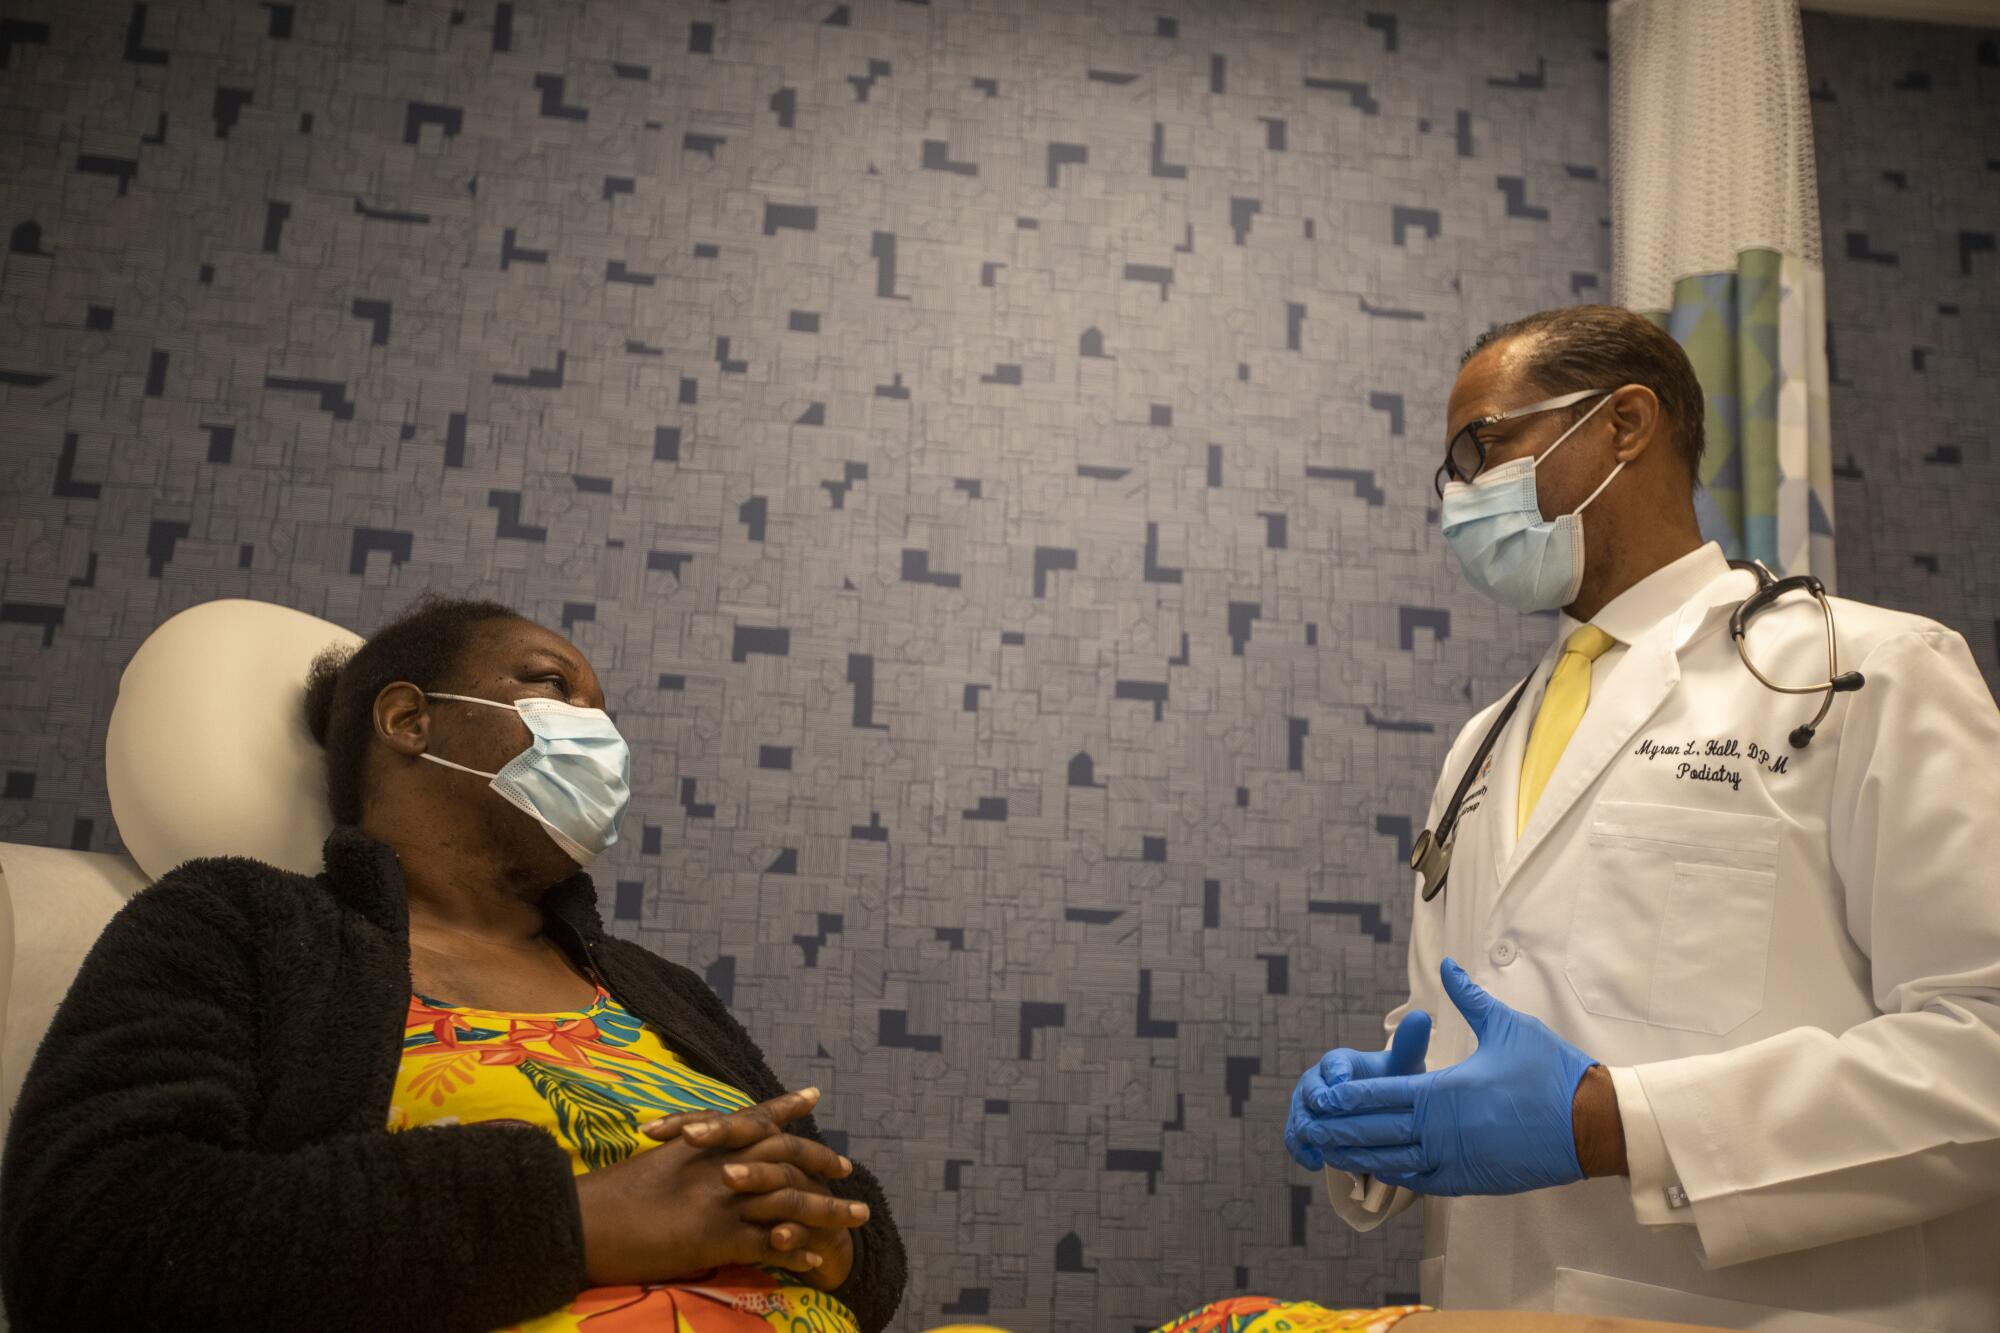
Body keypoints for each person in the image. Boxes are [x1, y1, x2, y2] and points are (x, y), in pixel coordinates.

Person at [1283, 306, 2000, 1329]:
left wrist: (1609, 1123)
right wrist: (1384, 1112)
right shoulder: (1481, 744)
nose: (1456, 495)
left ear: (1623, 425)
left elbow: (1981, 1049)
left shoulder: (1863, 674)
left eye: (1478, 447)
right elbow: (1495, 1022)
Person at [0, 596, 906, 1333]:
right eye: (556, 687)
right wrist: (576, 1220)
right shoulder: (244, 924)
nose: (601, 739)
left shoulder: (657, 988)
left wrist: (832, 1241)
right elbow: (89, 1239)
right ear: (408, 718)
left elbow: (837, 1208)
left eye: (606, 715)